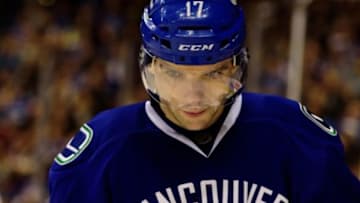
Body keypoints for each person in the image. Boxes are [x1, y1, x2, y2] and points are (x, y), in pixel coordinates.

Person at [48, 0, 360, 202]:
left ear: (237, 67)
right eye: (174, 74)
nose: (192, 96)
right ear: (148, 68)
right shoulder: (102, 152)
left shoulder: (294, 134)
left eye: (212, 75)